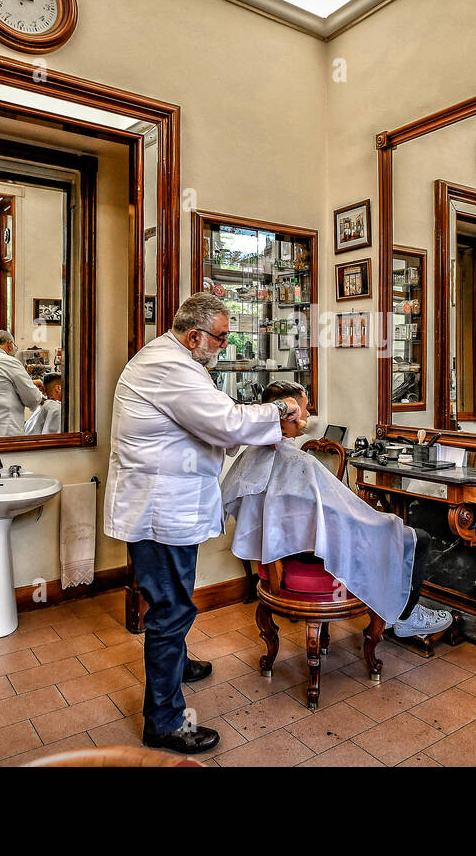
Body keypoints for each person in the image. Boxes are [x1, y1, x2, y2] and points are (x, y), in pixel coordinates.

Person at [103, 292, 306, 755]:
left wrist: (258, 422)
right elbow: (224, 423)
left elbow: (214, 423)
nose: (224, 346)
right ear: (195, 335)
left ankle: (175, 667)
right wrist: (279, 412)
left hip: (168, 506)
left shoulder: (179, 362)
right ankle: (164, 722)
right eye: (220, 337)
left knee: (174, 600)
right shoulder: (168, 367)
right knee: (171, 609)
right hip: (160, 509)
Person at [222, 381, 453, 636]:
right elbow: (342, 513)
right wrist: (379, 521)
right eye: (305, 408)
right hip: (306, 553)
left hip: (280, 550)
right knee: (413, 536)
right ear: (290, 415)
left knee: (381, 529)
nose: (309, 415)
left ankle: (390, 607)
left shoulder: (253, 454)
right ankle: (403, 615)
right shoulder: (299, 463)